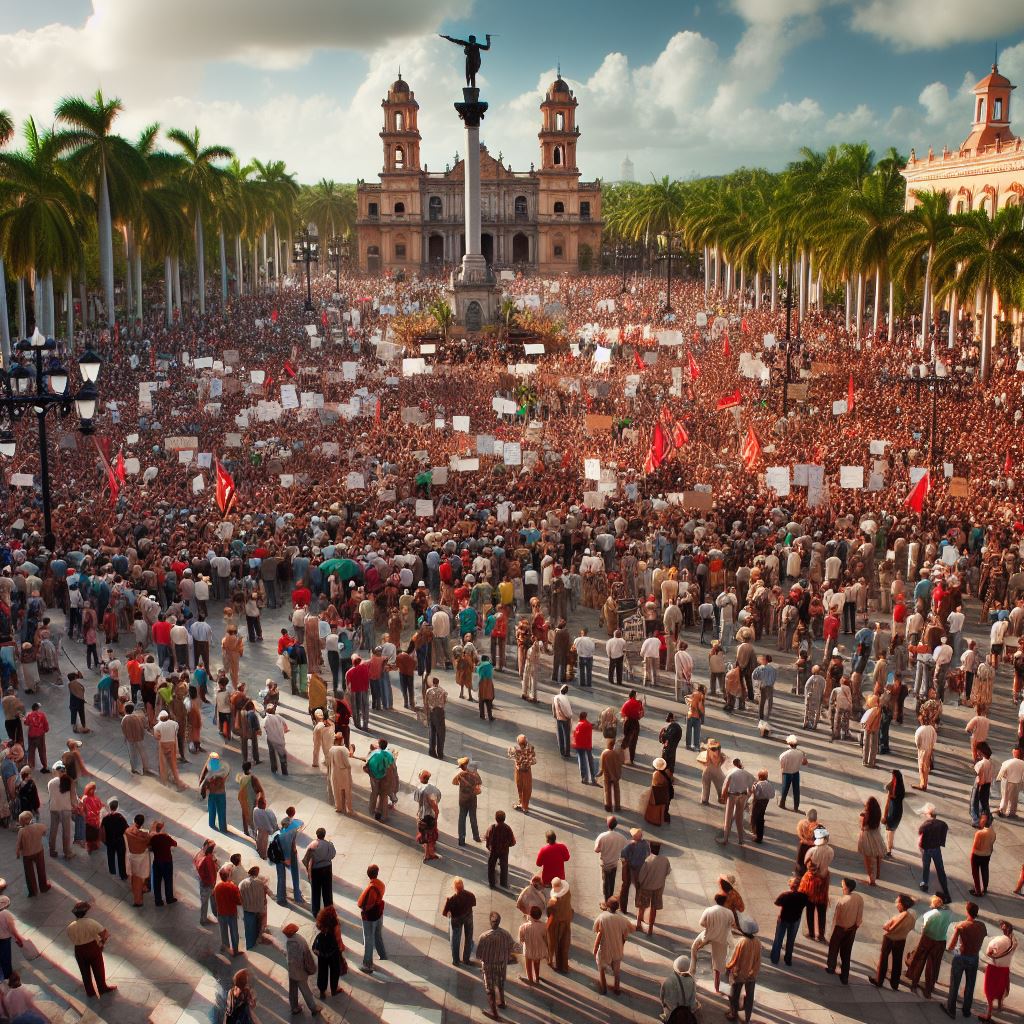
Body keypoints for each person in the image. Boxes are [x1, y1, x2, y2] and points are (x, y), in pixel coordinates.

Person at [944, 900, 987, 1019]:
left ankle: (951, 1010)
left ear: (967, 912)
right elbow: (982, 936)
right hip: (974, 958)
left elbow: (951, 946)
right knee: (970, 985)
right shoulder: (982, 926)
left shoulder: (961, 926)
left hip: (961, 957)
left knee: (955, 984)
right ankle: (966, 1010)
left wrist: (952, 945)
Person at [905, 894, 951, 998]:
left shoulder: (930, 914)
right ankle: (928, 989)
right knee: (933, 965)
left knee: (920, 960)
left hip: (927, 939)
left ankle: (914, 982)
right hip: (940, 941)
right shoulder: (948, 914)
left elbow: (924, 928)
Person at [475, 911, 520, 1021]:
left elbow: (478, 955)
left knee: (490, 989)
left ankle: (494, 1013)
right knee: (500, 983)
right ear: (499, 922)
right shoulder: (506, 934)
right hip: (501, 964)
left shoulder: (484, 936)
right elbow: (515, 948)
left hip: (488, 966)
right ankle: (502, 1002)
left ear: (490, 922)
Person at [66, 901, 116, 997]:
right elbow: (104, 934)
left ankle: (90, 992)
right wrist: (101, 943)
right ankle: (102, 988)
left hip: (79, 950)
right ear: (85, 912)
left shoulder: (70, 927)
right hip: (92, 947)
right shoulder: (91, 922)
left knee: (84, 972)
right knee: (98, 968)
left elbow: (71, 938)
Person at [869, 893, 915, 990]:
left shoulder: (901, 916)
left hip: (889, 939)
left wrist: (886, 926)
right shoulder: (911, 918)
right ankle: (895, 984)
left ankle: (879, 980)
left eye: (897, 902)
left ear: (902, 904)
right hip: (901, 940)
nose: (895, 903)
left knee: (883, 959)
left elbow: (889, 928)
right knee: (897, 962)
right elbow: (911, 928)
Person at [688, 894, 733, 991]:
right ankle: (717, 988)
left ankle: (692, 971)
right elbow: (731, 923)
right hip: (721, 939)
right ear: (724, 902)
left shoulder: (709, 910)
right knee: (717, 966)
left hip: (707, 936)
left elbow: (701, 923)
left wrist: (711, 926)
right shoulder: (729, 912)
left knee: (694, 948)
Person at [825, 877, 863, 985]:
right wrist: (855, 926)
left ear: (846, 888)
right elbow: (859, 917)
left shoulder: (842, 901)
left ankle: (831, 967)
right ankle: (845, 976)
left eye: (843, 886)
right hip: (852, 929)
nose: (842, 887)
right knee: (846, 953)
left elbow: (837, 918)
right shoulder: (859, 898)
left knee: (834, 948)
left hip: (841, 928)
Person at [798, 826, 834, 941]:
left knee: (810, 908)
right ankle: (821, 934)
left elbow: (806, 862)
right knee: (822, 909)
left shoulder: (812, 851)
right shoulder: (830, 851)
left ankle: (812, 932)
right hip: (823, 881)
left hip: (812, 881)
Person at [593, 896, 634, 995]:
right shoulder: (622, 919)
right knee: (617, 971)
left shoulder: (602, 917)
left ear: (607, 906)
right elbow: (631, 929)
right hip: (617, 949)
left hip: (605, 948)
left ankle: (603, 988)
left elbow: (597, 932)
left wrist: (594, 949)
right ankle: (617, 988)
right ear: (617, 907)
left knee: (601, 968)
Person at [724, 915, 760, 1023]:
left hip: (739, 974)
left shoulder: (742, 942)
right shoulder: (757, 942)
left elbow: (735, 959)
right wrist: (753, 972)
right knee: (749, 998)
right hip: (752, 975)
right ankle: (747, 1019)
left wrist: (728, 966)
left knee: (734, 995)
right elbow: (758, 960)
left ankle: (733, 1014)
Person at [978, 920, 1016, 1021]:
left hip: (994, 968)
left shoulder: (999, 940)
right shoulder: (1013, 941)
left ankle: (989, 1014)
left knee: (989, 990)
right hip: (1004, 968)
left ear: (1004, 929)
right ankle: (1000, 1006)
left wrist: (991, 954)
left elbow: (990, 952)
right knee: (1001, 987)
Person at [282, 922, 321, 1016]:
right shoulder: (300, 940)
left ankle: (294, 1007)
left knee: (293, 990)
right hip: (300, 971)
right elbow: (306, 955)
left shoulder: (289, 941)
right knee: (305, 990)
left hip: (292, 970)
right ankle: (313, 1008)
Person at [635, 841, 671, 935]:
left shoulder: (647, 860)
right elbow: (667, 872)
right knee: (654, 908)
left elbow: (641, 876)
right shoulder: (665, 860)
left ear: (650, 848)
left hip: (646, 887)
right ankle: (650, 928)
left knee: (642, 906)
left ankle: (638, 924)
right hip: (658, 887)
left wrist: (639, 884)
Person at [770, 876, 807, 966]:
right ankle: (788, 960)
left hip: (784, 919)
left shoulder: (785, 895)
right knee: (791, 941)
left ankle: (775, 958)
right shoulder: (803, 897)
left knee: (778, 939)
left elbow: (777, 903)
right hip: (795, 920)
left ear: (790, 885)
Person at [716, 757, 754, 847]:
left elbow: (725, 786)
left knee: (728, 817)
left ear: (733, 764)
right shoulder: (747, 774)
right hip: (743, 795)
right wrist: (747, 796)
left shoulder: (731, 772)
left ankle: (725, 839)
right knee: (739, 818)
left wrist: (723, 797)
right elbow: (752, 788)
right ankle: (741, 840)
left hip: (732, 795)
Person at [356, 864, 387, 974]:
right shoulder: (381, 884)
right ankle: (383, 956)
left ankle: (367, 965)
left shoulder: (370, 888)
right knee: (378, 936)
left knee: (368, 939)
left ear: (368, 874)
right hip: (379, 914)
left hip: (370, 918)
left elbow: (360, 903)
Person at [918, 803, 952, 902]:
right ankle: (946, 891)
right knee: (940, 869)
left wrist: (921, 848)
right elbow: (943, 836)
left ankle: (924, 884)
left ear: (928, 814)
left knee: (926, 867)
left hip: (927, 850)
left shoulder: (924, 826)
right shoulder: (943, 824)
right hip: (936, 849)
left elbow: (921, 840)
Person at [312, 904, 346, 999]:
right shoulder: (334, 923)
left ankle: (322, 991)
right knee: (334, 971)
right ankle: (334, 990)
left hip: (322, 951)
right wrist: (341, 948)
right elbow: (338, 938)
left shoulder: (321, 922)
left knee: (322, 971)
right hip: (333, 951)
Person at [442, 876, 477, 965]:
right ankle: (466, 959)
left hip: (456, 919)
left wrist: (450, 913)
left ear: (454, 888)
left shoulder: (451, 899)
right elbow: (473, 904)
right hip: (468, 916)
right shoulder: (470, 895)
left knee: (455, 940)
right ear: (463, 886)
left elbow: (445, 913)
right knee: (469, 938)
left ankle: (456, 960)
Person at [302, 827, 337, 916]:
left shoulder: (312, 845)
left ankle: (315, 912)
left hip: (316, 870)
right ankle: (329, 912)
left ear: (317, 835)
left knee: (316, 892)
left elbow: (305, 859)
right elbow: (333, 855)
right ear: (324, 835)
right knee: (327, 892)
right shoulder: (329, 845)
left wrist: (308, 869)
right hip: (327, 869)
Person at [594, 816, 628, 905]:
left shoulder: (602, 836)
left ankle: (606, 901)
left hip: (604, 863)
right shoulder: (622, 837)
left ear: (607, 824)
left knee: (605, 882)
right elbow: (625, 849)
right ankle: (611, 900)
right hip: (614, 863)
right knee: (612, 882)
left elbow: (596, 850)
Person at [659, 956, 699, 1023]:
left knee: (666, 1013)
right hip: (686, 1014)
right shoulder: (691, 980)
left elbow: (662, 998)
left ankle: (665, 1018)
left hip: (672, 1014)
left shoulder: (668, 980)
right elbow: (692, 1002)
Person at [239, 865, 270, 951]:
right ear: (256, 874)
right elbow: (270, 893)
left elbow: (239, 897)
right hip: (258, 909)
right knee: (259, 926)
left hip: (247, 909)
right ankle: (258, 939)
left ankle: (249, 946)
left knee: (248, 929)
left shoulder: (241, 884)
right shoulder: (260, 883)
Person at [452, 756, 482, 845]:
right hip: (472, 800)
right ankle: (476, 837)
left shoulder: (461, 774)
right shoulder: (475, 773)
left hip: (462, 800)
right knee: (473, 818)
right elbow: (479, 783)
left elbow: (454, 782)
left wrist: (460, 777)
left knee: (461, 819)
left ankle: (461, 840)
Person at [545, 877, 573, 973]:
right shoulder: (568, 892)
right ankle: (564, 965)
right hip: (566, 919)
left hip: (555, 922)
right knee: (564, 943)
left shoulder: (553, 901)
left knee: (552, 942)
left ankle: (551, 961)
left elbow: (548, 910)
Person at [213, 865, 242, 956]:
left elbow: (214, 898)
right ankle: (235, 951)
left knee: (223, 931)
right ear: (228, 875)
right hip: (231, 913)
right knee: (234, 932)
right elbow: (238, 901)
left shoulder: (217, 887)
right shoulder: (232, 887)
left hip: (221, 912)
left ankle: (226, 948)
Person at [484, 810, 516, 890]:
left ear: (495, 818)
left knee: (491, 866)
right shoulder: (508, 828)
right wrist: (507, 845)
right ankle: (503, 883)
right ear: (504, 818)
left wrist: (488, 846)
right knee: (504, 867)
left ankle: (492, 883)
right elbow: (513, 842)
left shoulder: (492, 828)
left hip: (494, 850)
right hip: (504, 851)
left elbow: (487, 838)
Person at [857, 797, 885, 885]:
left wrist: (861, 817)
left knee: (868, 859)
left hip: (867, 836)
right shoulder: (878, 812)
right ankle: (878, 874)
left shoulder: (864, 814)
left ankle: (871, 879)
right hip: (876, 835)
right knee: (877, 856)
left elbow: (862, 826)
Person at [198, 752, 229, 832]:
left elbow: (202, 781)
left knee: (212, 810)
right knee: (221, 812)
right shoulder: (223, 769)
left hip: (212, 793)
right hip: (220, 794)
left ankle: (212, 824)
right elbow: (224, 779)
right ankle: (222, 828)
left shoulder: (209, 769)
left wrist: (205, 787)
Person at [149, 820, 178, 906]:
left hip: (157, 861)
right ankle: (169, 898)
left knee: (157, 881)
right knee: (168, 880)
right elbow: (175, 844)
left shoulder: (153, 838)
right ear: (162, 828)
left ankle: (158, 900)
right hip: (167, 862)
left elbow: (150, 847)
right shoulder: (166, 837)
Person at [518, 905, 546, 986]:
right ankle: (537, 977)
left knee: (528, 963)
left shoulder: (523, 927)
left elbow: (522, 939)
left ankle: (530, 979)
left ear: (530, 915)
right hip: (538, 948)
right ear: (540, 916)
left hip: (528, 948)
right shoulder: (543, 926)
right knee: (537, 963)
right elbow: (545, 937)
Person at [507, 734, 536, 813]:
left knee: (520, 787)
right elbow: (534, 760)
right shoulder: (530, 747)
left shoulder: (516, 749)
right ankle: (523, 804)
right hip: (527, 771)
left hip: (519, 771)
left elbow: (509, 755)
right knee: (526, 789)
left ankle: (523, 806)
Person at [642, 756, 674, 827]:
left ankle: (654, 819)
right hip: (666, 793)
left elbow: (654, 785)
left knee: (654, 807)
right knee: (662, 807)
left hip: (657, 794)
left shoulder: (656, 774)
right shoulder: (667, 772)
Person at [970, 812, 996, 897]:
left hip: (977, 855)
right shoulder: (993, 832)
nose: (980, 820)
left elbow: (975, 847)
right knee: (985, 870)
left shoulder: (979, 833)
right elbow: (992, 844)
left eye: (982, 819)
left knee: (975, 873)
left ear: (985, 821)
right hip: (987, 854)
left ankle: (977, 891)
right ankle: (984, 888)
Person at [778, 735, 807, 811]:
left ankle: (782, 803)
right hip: (796, 772)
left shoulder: (784, 754)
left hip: (786, 772)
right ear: (796, 745)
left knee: (785, 789)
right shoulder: (801, 753)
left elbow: (782, 765)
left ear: (789, 744)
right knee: (796, 790)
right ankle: (796, 807)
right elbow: (804, 763)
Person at [0, 894, 25, 981]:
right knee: (6, 959)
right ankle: (7, 978)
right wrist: (18, 939)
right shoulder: (6, 914)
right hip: (4, 939)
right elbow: (12, 930)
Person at [883, 768, 905, 857]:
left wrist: (884, 816)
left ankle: (888, 850)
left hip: (892, 811)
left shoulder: (891, 789)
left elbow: (887, 803)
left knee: (888, 831)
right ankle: (890, 846)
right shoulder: (901, 788)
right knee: (893, 830)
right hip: (899, 811)